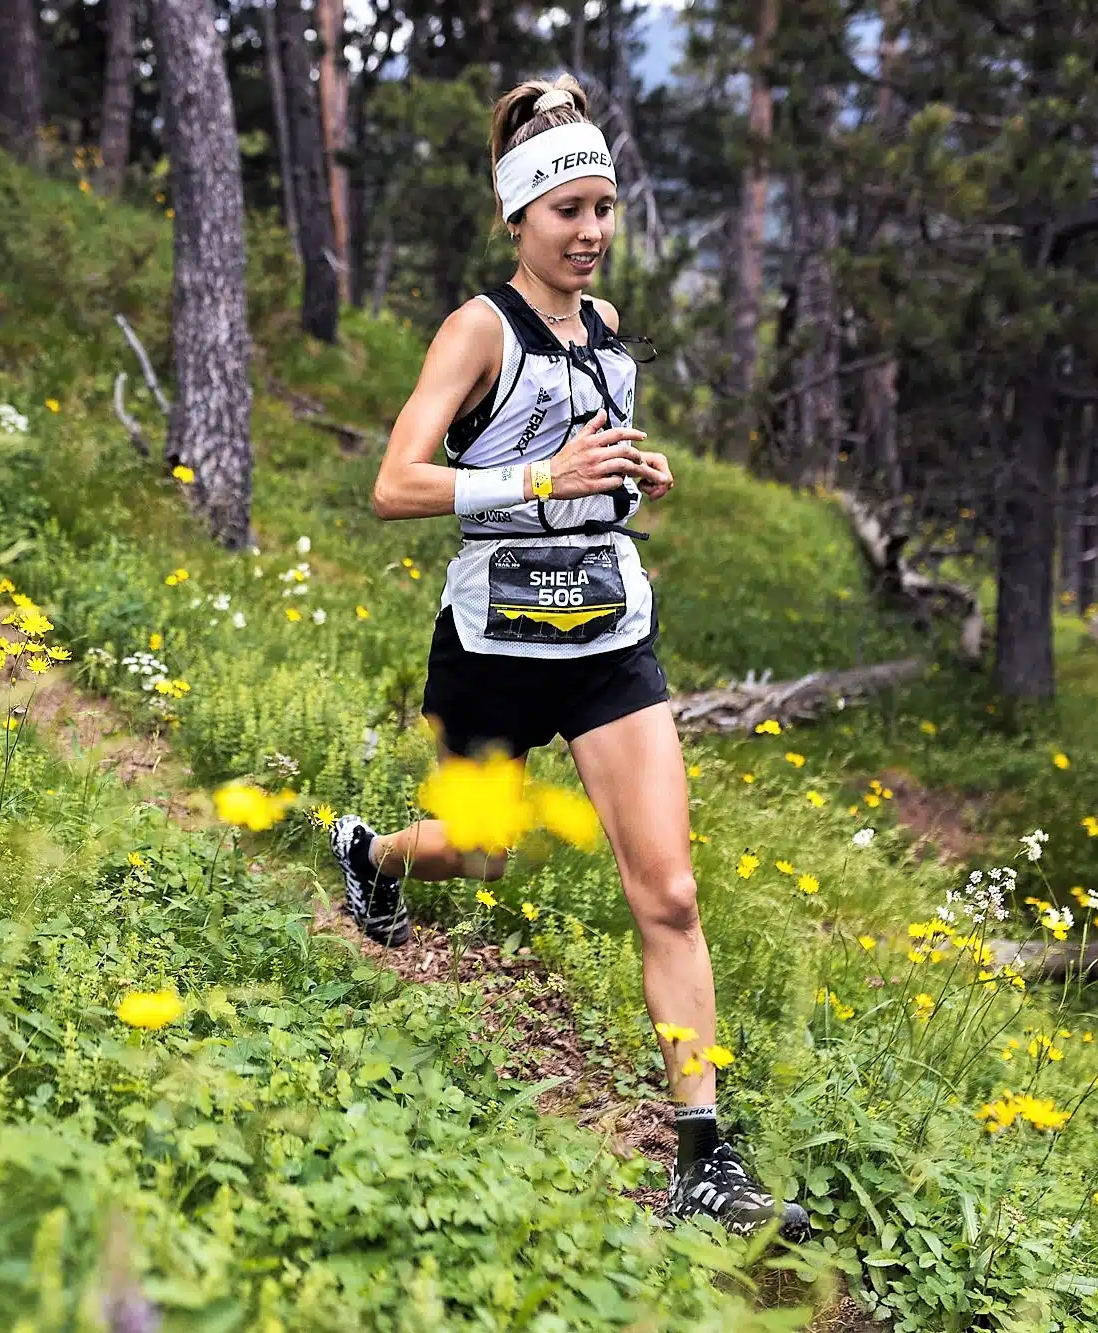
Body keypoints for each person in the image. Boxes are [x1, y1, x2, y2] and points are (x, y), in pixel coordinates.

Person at [327, 75, 808, 1242]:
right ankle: (377, 857)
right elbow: (394, 485)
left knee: (671, 890)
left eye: (603, 209)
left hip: (605, 639)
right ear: (516, 218)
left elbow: (586, 469)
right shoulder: (476, 330)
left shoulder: (605, 336)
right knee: (478, 855)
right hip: (493, 644)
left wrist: (629, 482)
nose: (590, 233)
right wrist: (541, 479)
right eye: (567, 213)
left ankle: (700, 1157)